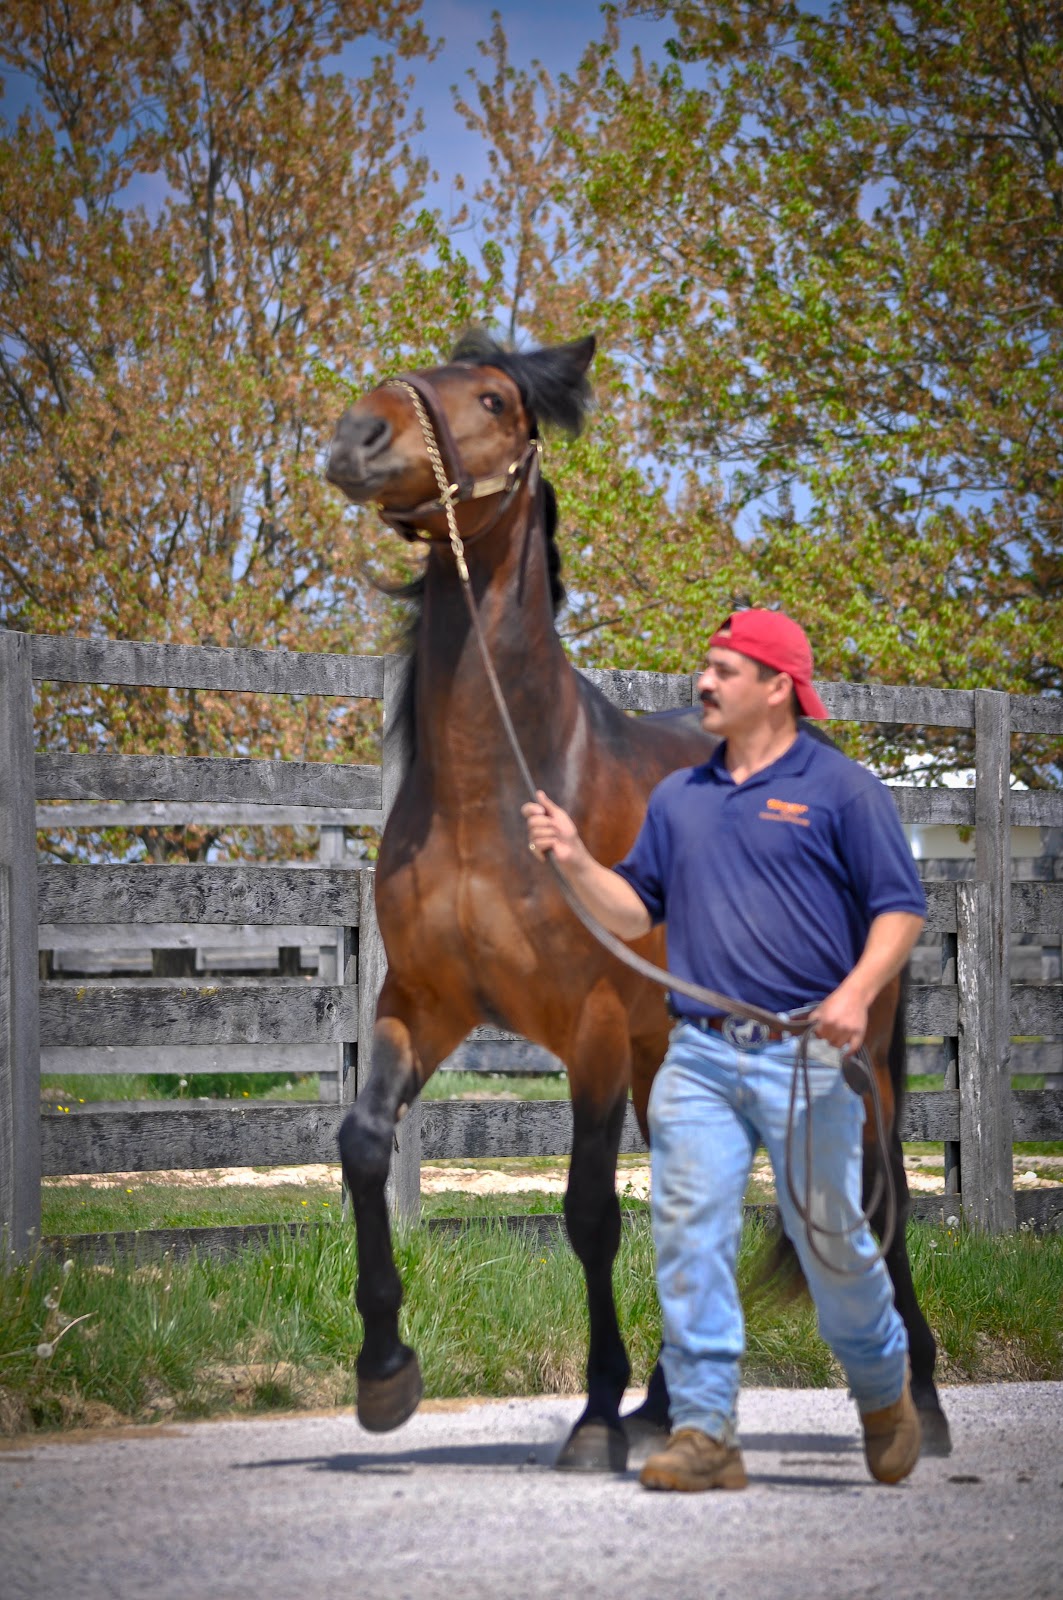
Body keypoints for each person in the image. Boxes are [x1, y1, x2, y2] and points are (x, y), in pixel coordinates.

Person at [522, 609, 927, 1492]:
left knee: (832, 1247)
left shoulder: (842, 790)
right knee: (687, 1236)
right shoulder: (680, 800)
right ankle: (706, 1429)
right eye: (703, 668)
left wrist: (855, 993)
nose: (701, 684)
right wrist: (572, 859)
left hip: (801, 1057)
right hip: (697, 1058)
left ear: (777, 686)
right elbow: (634, 911)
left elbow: (900, 907)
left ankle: (882, 1383)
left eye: (722, 670)